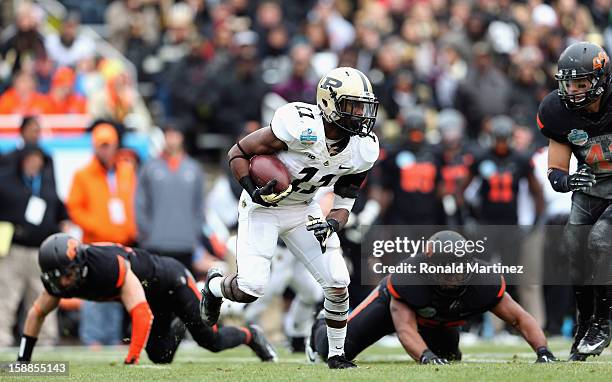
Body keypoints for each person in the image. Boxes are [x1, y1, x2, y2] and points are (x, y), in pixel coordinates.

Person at [201, 67, 379, 369]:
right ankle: (214, 287)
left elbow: (346, 199)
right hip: (265, 208)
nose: (361, 114)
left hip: (304, 210)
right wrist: (252, 190)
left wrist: (333, 224)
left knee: (337, 282)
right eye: (352, 105)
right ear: (329, 103)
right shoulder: (299, 126)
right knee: (251, 288)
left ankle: (336, 354)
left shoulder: (363, 148)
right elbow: (237, 153)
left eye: (363, 106)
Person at [16, 233, 276, 364]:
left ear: (76, 265)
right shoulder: (64, 280)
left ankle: (250, 335)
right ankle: (178, 324)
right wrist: (23, 360)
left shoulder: (107, 265)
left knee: (212, 341)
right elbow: (37, 313)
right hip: (153, 299)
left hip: (173, 283)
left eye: (62, 274)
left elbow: (141, 312)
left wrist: (131, 360)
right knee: (160, 356)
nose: (59, 282)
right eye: (55, 275)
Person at [307, 231, 557, 364]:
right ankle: (320, 324)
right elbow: (405, 330)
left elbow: (520, 319)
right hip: (391, 309)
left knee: (447, 358)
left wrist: (543, 351)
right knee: (335, 349)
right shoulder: (410, 279)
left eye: (458, 266)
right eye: (445, 266)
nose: (452, 273)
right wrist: (425, 357)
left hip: (438, 319)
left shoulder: (484, 280)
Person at [537, 41, 612, 360]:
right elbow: (555, 172)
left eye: (581, 83)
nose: (574, 90)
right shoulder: (557, 111)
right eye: (569, 83)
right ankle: (585, 323)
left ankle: (604, 325)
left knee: (600, 242)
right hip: (591, 187)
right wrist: (568, 181)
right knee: (573, 249)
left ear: (601, 79)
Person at [65, 123, 137, 346]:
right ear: (95, 147)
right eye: (102, 146)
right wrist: (96, 225)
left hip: (120, 243)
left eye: (109, 145)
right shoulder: (83, 175)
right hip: (95, 243)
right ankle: (93, 338)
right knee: (94, 291)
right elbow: (74, 207)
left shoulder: (126, 171)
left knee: (117, 290)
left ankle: (112, 337)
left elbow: (135, 201)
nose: (106, 150)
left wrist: (132, 228)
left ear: (116, 145)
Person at [0, 145, 68, 347]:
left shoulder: (47, 185)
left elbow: (61, 213)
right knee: (6, 296)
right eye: (30, 158)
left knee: (43, 297)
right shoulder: (6, 183)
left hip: (42, 252)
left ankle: (45, 341)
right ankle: (1, 339)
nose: (34, 163)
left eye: (38, 159)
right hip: (13, 249)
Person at [136, 121, 205, 274]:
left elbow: (199, 206)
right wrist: (147, 232)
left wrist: (194, 233)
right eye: (168, 134)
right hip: (155, 243)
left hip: (185, 244)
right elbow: (140, 203)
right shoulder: (149, 167)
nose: (172, 139)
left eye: (175, 134)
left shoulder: (194, 168)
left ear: (182, 137)